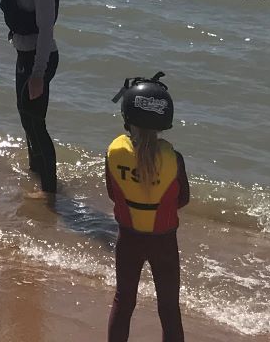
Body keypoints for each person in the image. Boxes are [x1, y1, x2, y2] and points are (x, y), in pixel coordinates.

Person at [106, 73, 188, 342]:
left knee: (124, 301)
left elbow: (111, 193)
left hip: (128, 238)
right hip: (163, 241)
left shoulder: (115, 152)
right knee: (168, 308)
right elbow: (182, 199)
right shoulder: (173, 159)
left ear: (127, 118)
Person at [0, 0, 63, 195]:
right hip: (24, 54)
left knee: (35, 123)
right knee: (25, 116)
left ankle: (50, 193)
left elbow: (46, 29)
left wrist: (38, 74)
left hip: (39, 57)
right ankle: (36, 175)